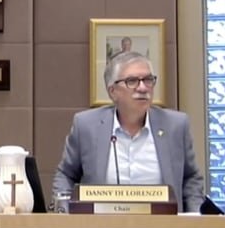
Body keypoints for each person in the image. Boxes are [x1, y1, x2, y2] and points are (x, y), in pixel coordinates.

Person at [53, 51, 204, 212]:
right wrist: (64, 213)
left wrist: (194, 218)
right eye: (132, 81)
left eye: (148, 80)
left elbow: (191, 178)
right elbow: (66, 175)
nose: (143, 88)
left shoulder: (175, 125)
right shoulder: (86, 125)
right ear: (113, 91)